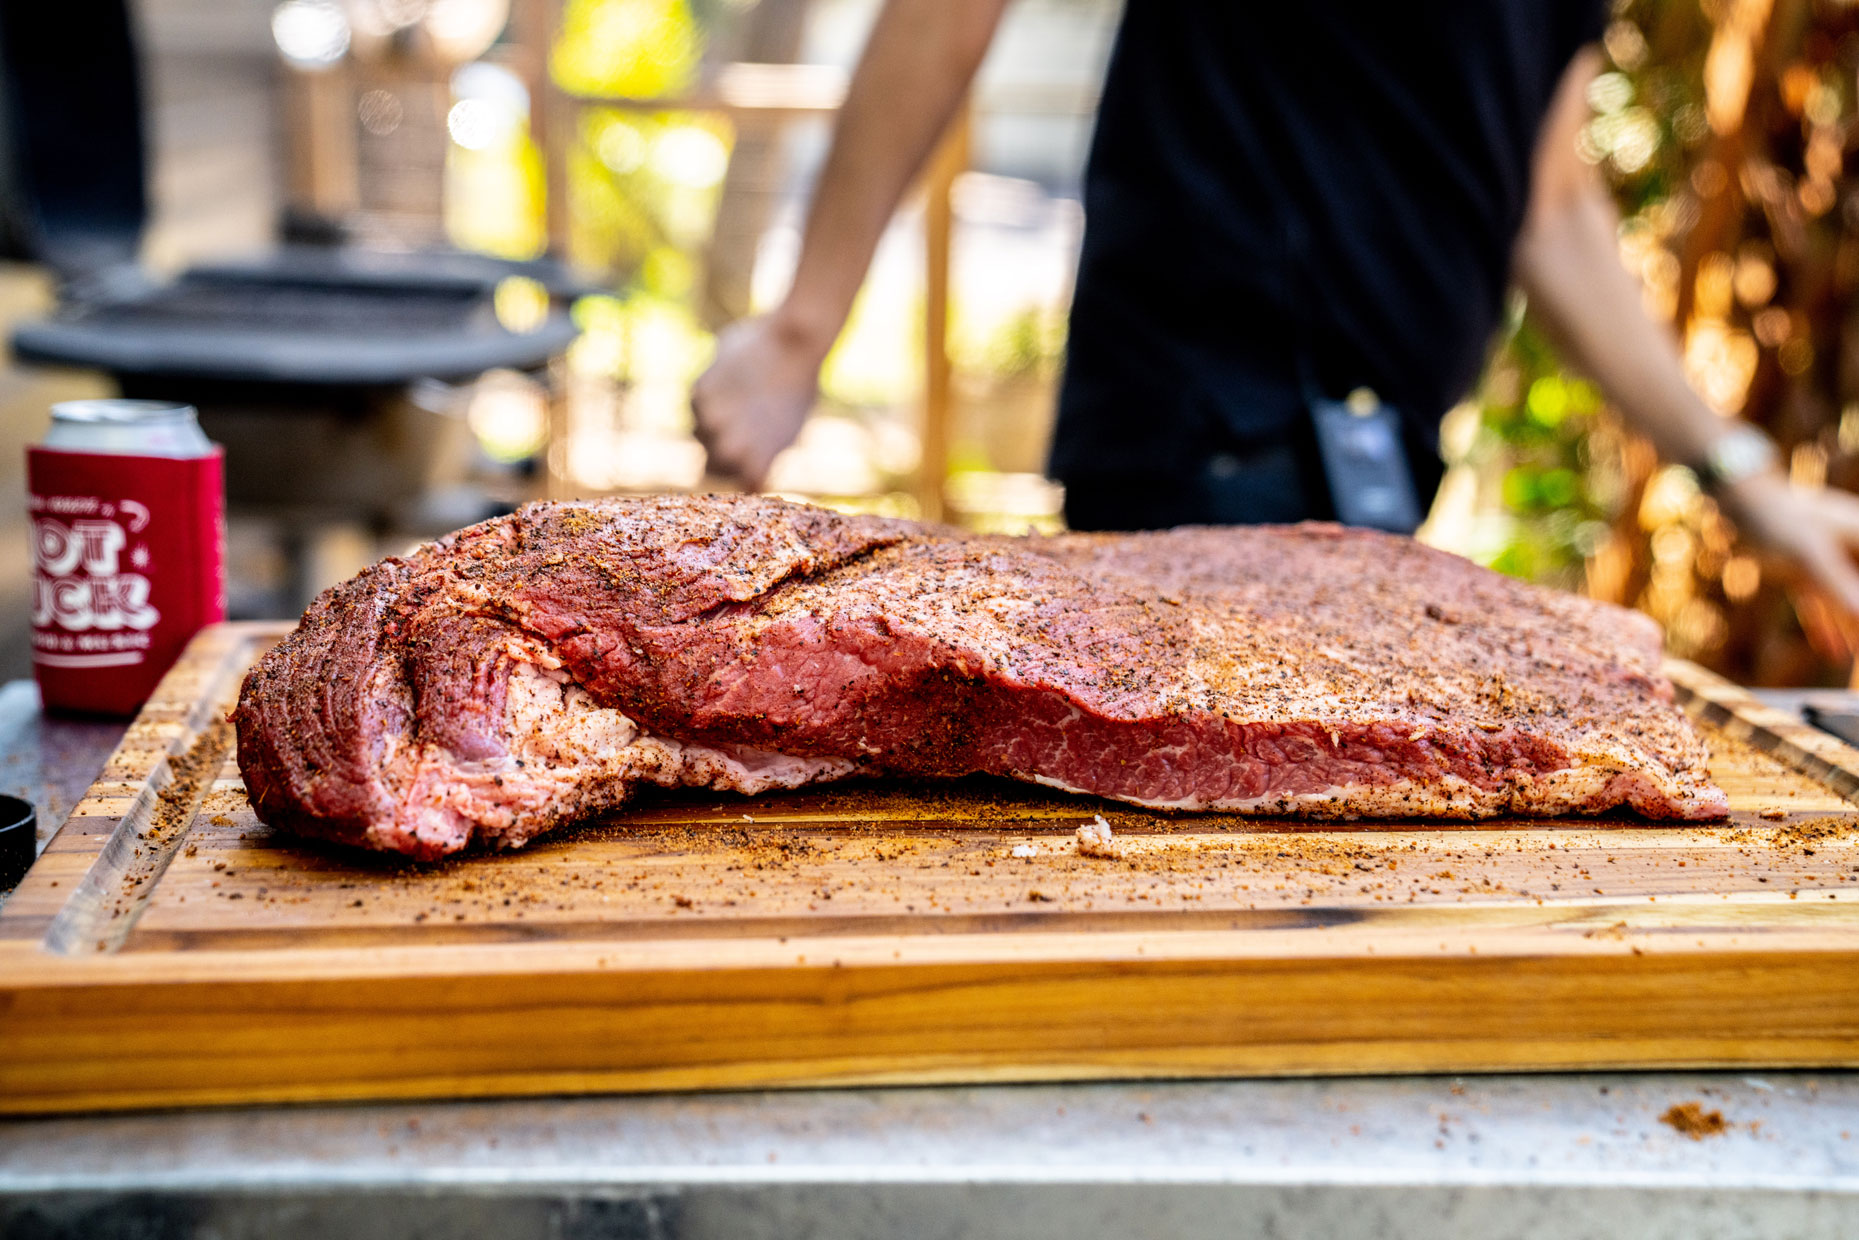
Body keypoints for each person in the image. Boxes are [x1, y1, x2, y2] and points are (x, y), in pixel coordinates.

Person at [691, 0, 1859, 619]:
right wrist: (802, 327)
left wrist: (1736, 471)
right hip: (1204, 441)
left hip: (1379, 465)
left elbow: (1545, 199)